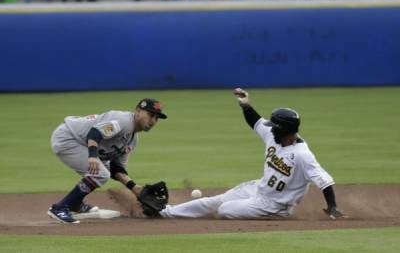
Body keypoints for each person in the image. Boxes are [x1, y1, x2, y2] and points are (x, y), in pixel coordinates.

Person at [160, 88, 345, 220]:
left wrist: (332, 207)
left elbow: (325, 182)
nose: (270, 129)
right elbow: (256, 122)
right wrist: (246, 106)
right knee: (213, 202)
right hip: (258, 189)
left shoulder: (303, 155)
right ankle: (164, 212)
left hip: (275, 205)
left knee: (224, 210)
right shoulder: (274, 136)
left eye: (275, 127)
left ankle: (277, 215)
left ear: (286, 130)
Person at [48, 98, 167, 224]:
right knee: (100, 174)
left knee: (103, 170)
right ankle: (60, 208)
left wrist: (134, 187)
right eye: (150, 115)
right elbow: (94, 133)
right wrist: (92, 156)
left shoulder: (133, 139)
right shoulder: (123, 121)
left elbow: (116, 167)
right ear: (137, 111)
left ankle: (75, 204)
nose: (153, 121)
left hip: (81, 143)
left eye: (156, 118)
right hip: (68, 138)